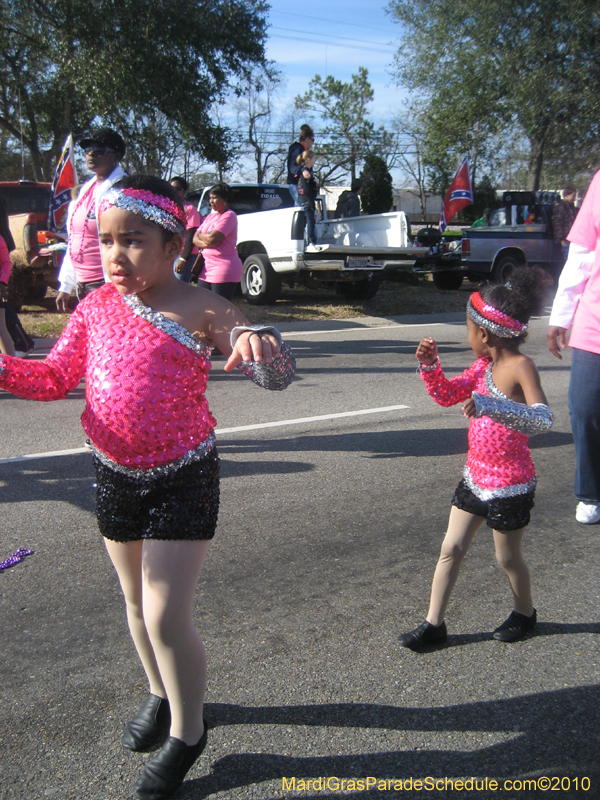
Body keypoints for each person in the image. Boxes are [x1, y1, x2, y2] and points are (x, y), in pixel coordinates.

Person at [0, 174, 295, 800]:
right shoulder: (95, 307)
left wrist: (259, 344)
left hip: (183, 474)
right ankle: (161, 693)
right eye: (106, 241)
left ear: (172, 246)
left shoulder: (203, 306)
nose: (114, 255)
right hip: (112, 473)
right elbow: (53, 378)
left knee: (164, 613)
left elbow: (271, 373)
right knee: (135, 604)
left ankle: (189, 734)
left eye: (132, 241)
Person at [400, 268, 553, 650]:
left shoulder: (521, 367)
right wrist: (431, 366)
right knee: (451, 548)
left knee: (507, 558)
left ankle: (525, 612)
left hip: (510, 484)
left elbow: (543, 420)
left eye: (468, 330)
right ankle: (434, 623)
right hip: (475, 477)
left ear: (483, 334)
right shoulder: (483, 367)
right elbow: (447, 394)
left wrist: (492, 406)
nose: (467, 337)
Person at [547, 171, 600, 525]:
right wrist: (561, 314)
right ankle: (591, 491)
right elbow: (581, 254)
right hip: (594, 320)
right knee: (584, 407)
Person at [56, 128, 127, 311]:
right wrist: (66, 285)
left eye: (100, 149)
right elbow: (75, 239)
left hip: (107, 283)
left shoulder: (124, 190)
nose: (91, 154)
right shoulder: (86, 190)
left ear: (116, 156)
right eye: (88, 149)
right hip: (83, 284)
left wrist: (116, 285)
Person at [192, 183, 243, 301]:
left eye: (214, 198)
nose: (211, 201)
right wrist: (207, 240)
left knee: (219, 310)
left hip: (223, 269)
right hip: (206, 269)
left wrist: (205, 237)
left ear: (225, 199)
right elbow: (195, 238)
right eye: (210, 198)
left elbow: (213, 239)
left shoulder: (229, 216)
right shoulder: (211, 216)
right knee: (202, 305)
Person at [170, 176, 201, 284]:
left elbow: (191, 235)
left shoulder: (189, 209)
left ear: (184, 192)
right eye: (171, 188)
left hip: (185, 255)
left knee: (179, 288)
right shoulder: (168, 207)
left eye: (177, 189)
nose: (173, 191)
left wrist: (183, 259)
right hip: (171, 253)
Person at [296, 150, 323, 253]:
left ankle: (309, 241)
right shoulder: (305, 173)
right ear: (308, 159)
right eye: (314, 159)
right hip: (306, 200)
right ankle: (311, 241)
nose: (315, 161)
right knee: (310, 220)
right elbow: (306, 189)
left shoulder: (308, 171)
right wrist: (310, 201)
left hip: (304, 199)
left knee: (308, 221)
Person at [287, 124, 314, 206]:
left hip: (302, 186)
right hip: (296, 185)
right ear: (307, 139)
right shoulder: (297, 149)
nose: (313, 143)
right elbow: (293, 167)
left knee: (304, 209)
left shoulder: (304, 151)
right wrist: (303, 170)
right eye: (313, 140)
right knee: (301, 208)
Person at [552, 186, 577, 263]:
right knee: (567, 260)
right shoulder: (560, 207)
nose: (574, 198)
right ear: (566, 195)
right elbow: (557, 224)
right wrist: (561, 239)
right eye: (573, 196)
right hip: (565, 239)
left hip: (572, 238)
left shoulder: (572, 207)